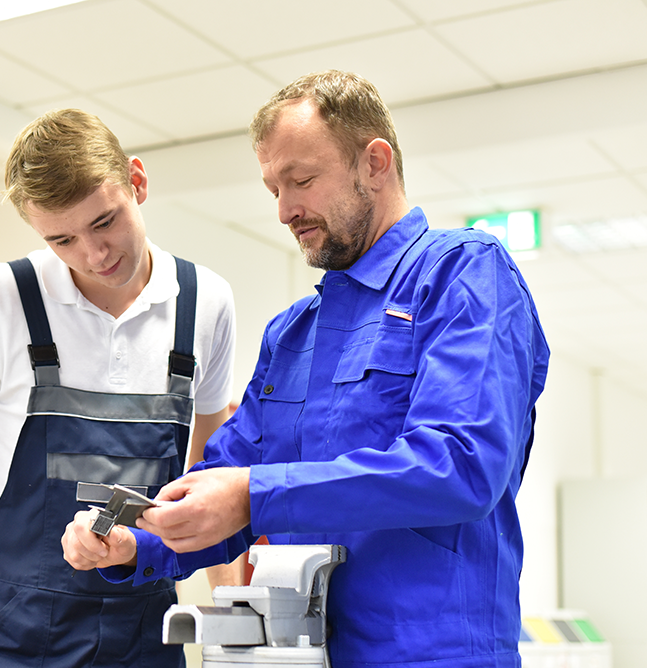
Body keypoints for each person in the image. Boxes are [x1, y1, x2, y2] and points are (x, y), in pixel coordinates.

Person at [62, 70, 551, 668]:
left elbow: (460, 466)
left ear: (375, 163)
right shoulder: (293, 334)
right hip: (297, 652)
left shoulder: (464, 275)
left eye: (302, 180)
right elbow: (226, 479)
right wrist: (134, 542)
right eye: (273, 189)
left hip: (433, 653)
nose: (285, 210)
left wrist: (253, 495)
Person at [0, 108, 235, 668]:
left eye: (105, 222)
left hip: (142, 633)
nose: (94, 255)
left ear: (137, 182)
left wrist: (236, 616)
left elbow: (211, 479)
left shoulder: (205, 303)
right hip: (4, 633)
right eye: (62, 239)